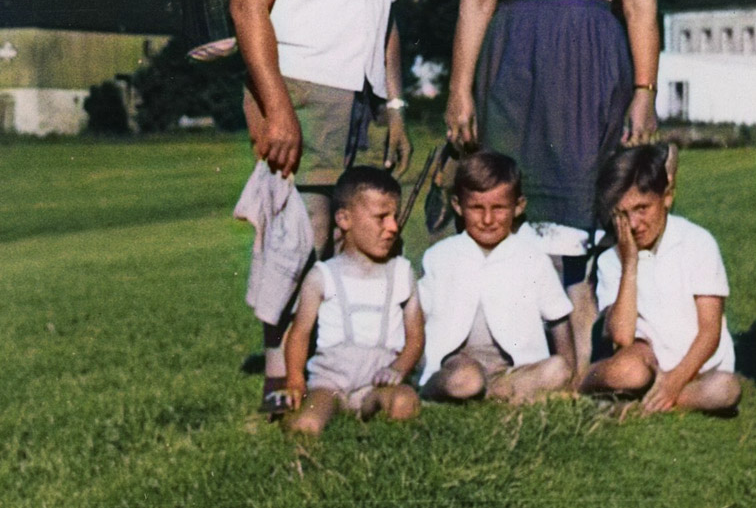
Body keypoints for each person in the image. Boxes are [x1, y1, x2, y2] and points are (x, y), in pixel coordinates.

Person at [445, 0, 659, 370]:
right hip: (512, 62)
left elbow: (640, 5)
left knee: (582, 203)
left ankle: (584, 358)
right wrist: (460, 89)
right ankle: (507, 352)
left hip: (590, 63)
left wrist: (644, 90)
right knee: (506, 192)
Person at [225, 0, 412, 411]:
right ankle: (279, 379)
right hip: (301, 88)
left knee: (353, 237)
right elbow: (247, 6)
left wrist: (394, 107)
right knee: (297, 235)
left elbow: (386, 21)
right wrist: (277, 108)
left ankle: (336, 369)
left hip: (365, 98)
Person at [581, 145, 741, 414]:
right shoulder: (611, 259)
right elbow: (622, 336)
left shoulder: (698, 242)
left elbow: (709, 331)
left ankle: (648, 400)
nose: (633, 224)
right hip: (646, 360)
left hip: (698, 367)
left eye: (642, 208)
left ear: (666, 197)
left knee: (726, 390)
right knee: (629, 371)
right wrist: (630, 265)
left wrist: (675, 381)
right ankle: (584, 383)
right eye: (622, 214)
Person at [419, 151, 574, 404]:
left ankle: (494, 391)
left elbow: (559, 319)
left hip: (512, 368)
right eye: (476, 208)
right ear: (458, 206)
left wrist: (570, 377)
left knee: (558, 369)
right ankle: (438, 389)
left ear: (518, 206)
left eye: (499, 208)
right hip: (460, 363)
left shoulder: (533, 258)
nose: (488, 219)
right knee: (467, 378)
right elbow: (418, 317)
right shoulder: (440, 256)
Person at [285, 166, 423, 434]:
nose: (393, 227)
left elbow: (416, 336)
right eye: (381, 217)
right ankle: (298, 414)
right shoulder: (322, 276)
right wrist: (294, 378)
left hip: (379, 382)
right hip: (331, 382)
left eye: (394, 217)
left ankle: (370, 408)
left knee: (404, 403)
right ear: (344, 219)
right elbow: (299, 333)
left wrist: (399, 368)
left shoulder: (402, 272)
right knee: (307, 425)